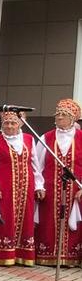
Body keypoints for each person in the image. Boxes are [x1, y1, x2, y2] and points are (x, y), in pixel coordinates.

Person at [0, 109, 41, 266]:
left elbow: (35, 165)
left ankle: (21, 253)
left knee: (25, 219)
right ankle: (0, 253)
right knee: (4, 220)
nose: (10, 126)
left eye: (13, 123)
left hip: (25, 187)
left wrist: (39, 185)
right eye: (6, 123)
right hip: (4, 188)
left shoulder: (28, 139)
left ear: (20, 124)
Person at [33, 98, 82, 266]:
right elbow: (36, 165)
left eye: (64, 114)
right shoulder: (46, 138)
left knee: (74, 224)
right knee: (48, 223)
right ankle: (47, 255)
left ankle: (71, 257)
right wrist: (39, 186)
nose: (59, 117)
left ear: (73, 118)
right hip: (51, 190)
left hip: (76, 190)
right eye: (58, 114)